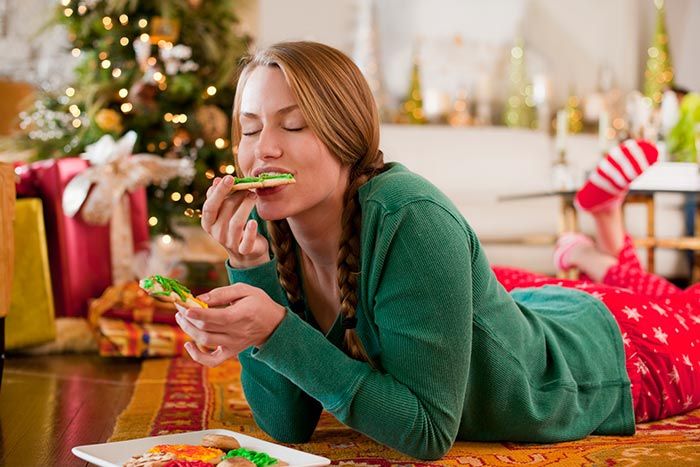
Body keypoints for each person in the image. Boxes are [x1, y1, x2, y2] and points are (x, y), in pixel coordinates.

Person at [174, 41, 700, 460]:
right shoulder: (270, 225)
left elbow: (426, 431)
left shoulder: (412, 218)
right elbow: (287, 423)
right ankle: (598, 252)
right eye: (249, 128)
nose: (262, 148)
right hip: (530, 311)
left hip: (616, 354)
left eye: (291, 125)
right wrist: (250, 274)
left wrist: (274, 329)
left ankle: (604, 239)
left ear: (345, 136)